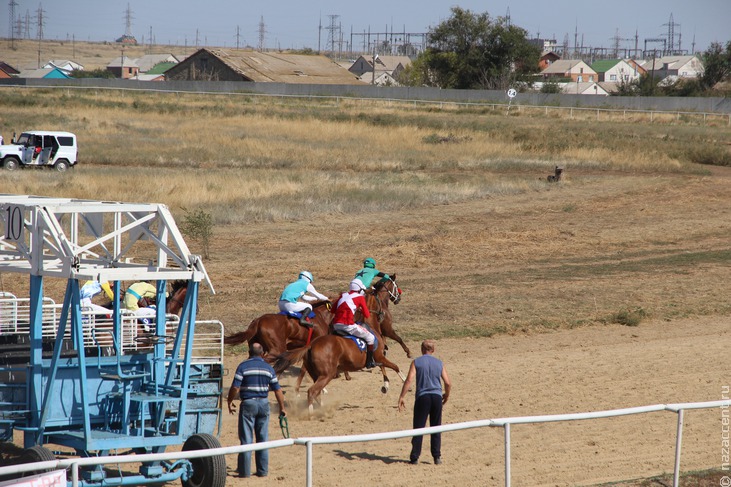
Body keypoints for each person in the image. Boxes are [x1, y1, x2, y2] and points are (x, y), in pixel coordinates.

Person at [227, 342, 286, 478]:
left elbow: (235, 387)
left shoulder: (243, 366)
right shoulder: (269, 368)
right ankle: (262, 471)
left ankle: (245, 472)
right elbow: (277, 389)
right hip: (264, 404)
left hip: (248, 403)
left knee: (246, 439)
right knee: (263, 438)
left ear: (249, 352)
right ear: (263, 353)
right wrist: (282, 407)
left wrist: (229, 401)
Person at [398, 339, 452, 466]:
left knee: (418, 427)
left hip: (423, 397)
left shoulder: (416, 362)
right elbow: (448, 383)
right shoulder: (439, 363)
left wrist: (402, 396)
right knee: (436, 426)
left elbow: (409, 380)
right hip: (437, 397)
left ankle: (415, 456)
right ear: (433, 350)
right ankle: (436, 456)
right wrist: (447, 395)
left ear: (422, 350)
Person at [332, 278, 379, 369]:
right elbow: (367, 314)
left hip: (336, 325)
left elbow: (333, 310)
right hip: (348, 325)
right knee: (371, 338)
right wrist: (360, 309)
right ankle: (369, 362)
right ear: (360, 289)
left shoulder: (343, 295)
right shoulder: (360, 298)